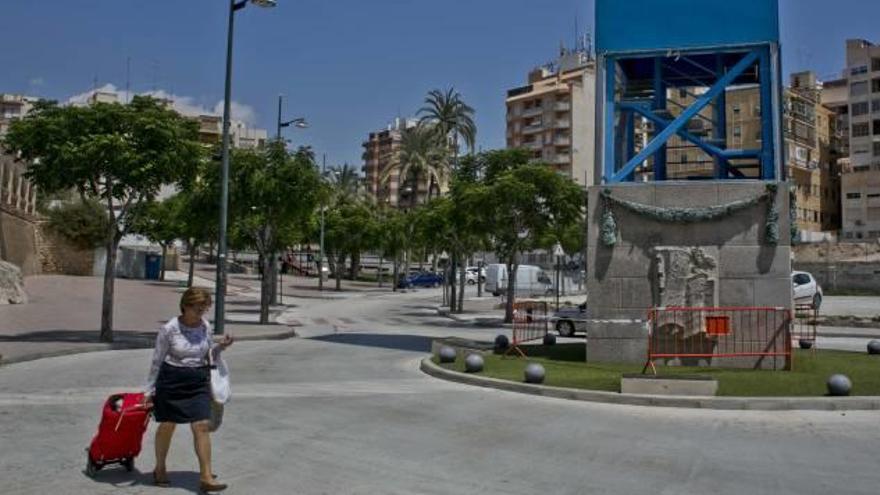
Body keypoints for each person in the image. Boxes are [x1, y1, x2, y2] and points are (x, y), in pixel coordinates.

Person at [143, 287, 233, 492]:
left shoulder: (204, 326)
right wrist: (148, 391)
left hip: (198, 381)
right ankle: (160, 468)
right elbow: (157, 361)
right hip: (172, 381)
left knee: (201, 425)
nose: (201, 312)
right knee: (168, 425)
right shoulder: (169, 329)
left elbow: (208, 352)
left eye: (204, 308)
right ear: (185, 306)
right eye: (198, 308)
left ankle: (206, 476)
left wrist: (222, 347)